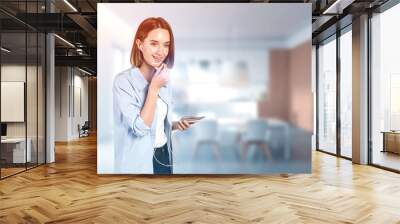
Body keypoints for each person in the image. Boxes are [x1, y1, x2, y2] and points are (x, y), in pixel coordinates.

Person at [113, 17, 191, 174]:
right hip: (138, 160)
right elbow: (140, 128)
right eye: (154, 44)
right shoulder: (123, 82)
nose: (161, 52)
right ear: (140, 44)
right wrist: (154, 88)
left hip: (163, 155)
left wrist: (175, 124)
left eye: (166, 45)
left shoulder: (164, 81)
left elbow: (157, 123)